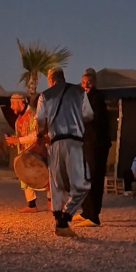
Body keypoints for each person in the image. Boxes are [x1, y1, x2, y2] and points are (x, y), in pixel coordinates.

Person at [36, 67, 94, 237]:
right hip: (74, 142)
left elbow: (39, 120)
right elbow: (89, 115)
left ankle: (59, 220)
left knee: (56, 184)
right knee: (82, 184)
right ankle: (64, 218)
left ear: (50, 80)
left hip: (54, 143)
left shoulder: (45, 95)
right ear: (63, 77)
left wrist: (41, 135)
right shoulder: (78, 92)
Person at [73, 68, 111, 227]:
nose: (85, 85)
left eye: (88, 82)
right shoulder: (84, 98)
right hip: (86, 143)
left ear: (94, 83)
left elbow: (90, 120)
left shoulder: (97, 99)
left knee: (93, 179)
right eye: (83, 82)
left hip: (96, 145)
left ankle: (94, 216)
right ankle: (86, 211)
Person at [5, 93, 39, 213]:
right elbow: (21, 136)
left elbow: (36, 135)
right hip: (24, 153)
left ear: (21, 103)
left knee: (43, 176)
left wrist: (18, 140)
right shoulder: (19, 119)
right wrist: (13, 140)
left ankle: (53, 204)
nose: (11, 107)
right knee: (24, 176)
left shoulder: (34, 115)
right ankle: (31, 205)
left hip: (37, 152)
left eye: (13, 104)